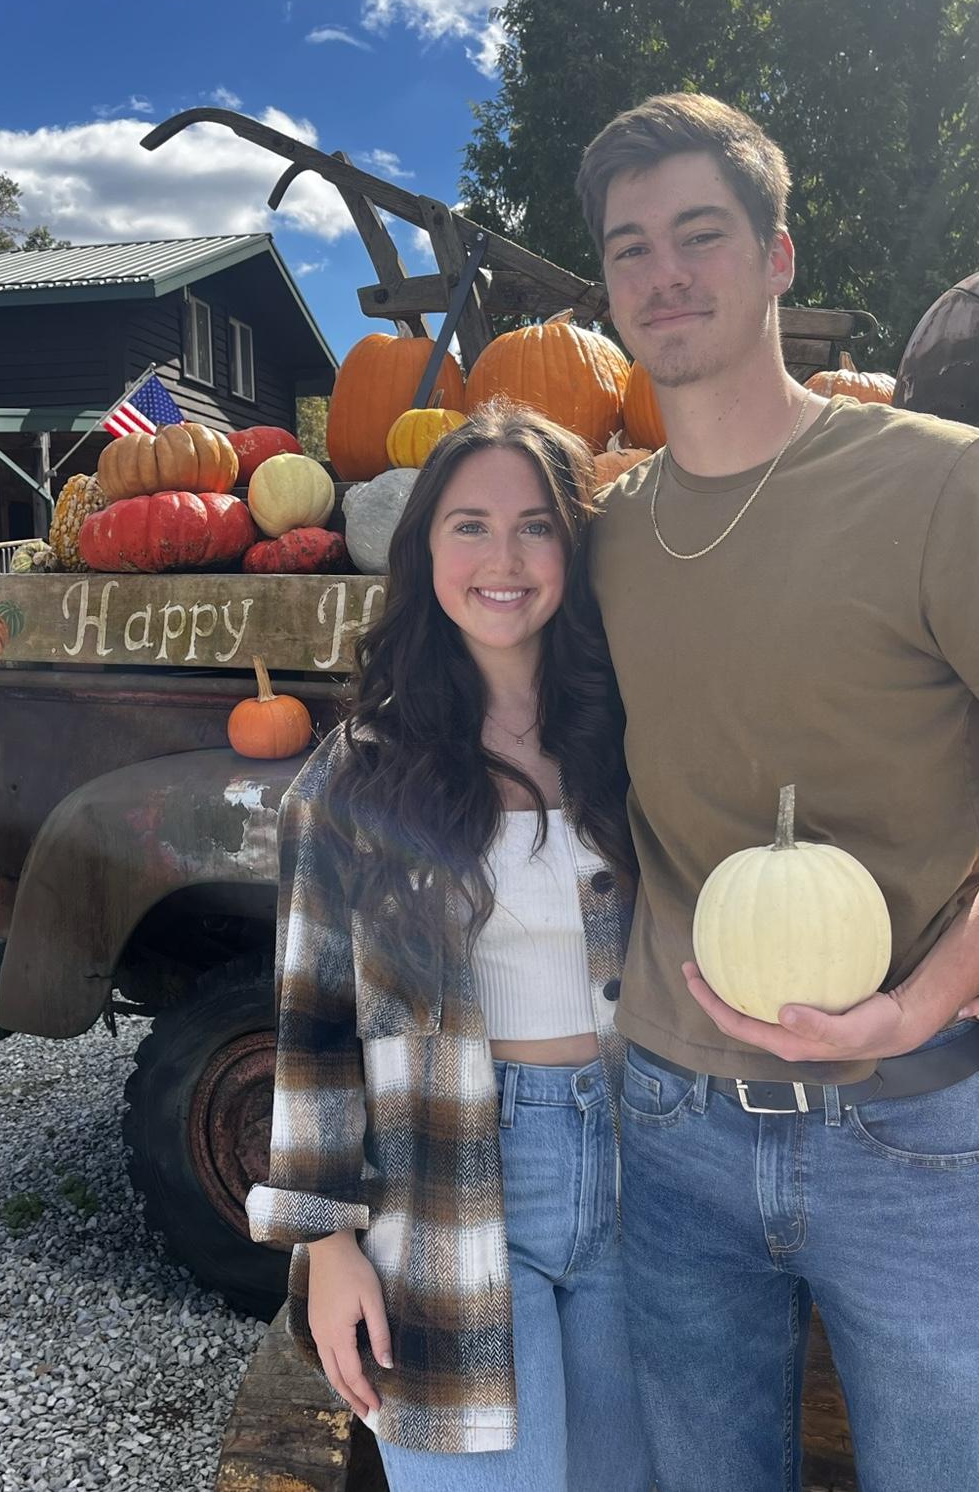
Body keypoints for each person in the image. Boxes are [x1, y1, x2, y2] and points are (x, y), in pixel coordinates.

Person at [575, 93, 979, 1491]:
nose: (665, 273)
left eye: (702, 234)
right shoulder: (606, 540)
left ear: (778, 257)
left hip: (908, 1124)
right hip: (670, 1128)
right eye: (631, 247)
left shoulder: (940, 486)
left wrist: (941, 986)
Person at [245, 403, 651, 1490]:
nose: (502, 560)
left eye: (536, 527)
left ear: (574, 549)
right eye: (470, 526)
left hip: (650, 1175)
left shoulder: (636, 742)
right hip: (452, 1181)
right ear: (425, 552)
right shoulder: (361, 773)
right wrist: (328, 1244)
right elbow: (314, 1020)